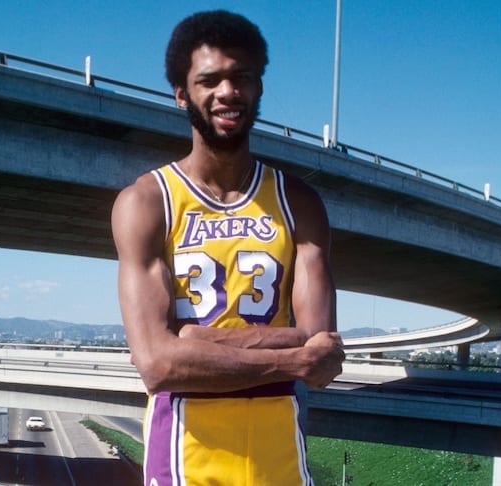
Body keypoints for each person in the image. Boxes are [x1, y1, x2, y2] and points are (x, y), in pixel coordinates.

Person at [111, 9, 345, 486]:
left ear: (258, 87)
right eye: (209, 79)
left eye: (241, 77)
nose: (227, 92)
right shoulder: (147, 202)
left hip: (279, 451)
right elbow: (156, 364)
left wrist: (196, 338)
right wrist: (289, 356)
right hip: (184, 454)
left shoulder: (298, 201)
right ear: (182, 94)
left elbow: (323, 356)